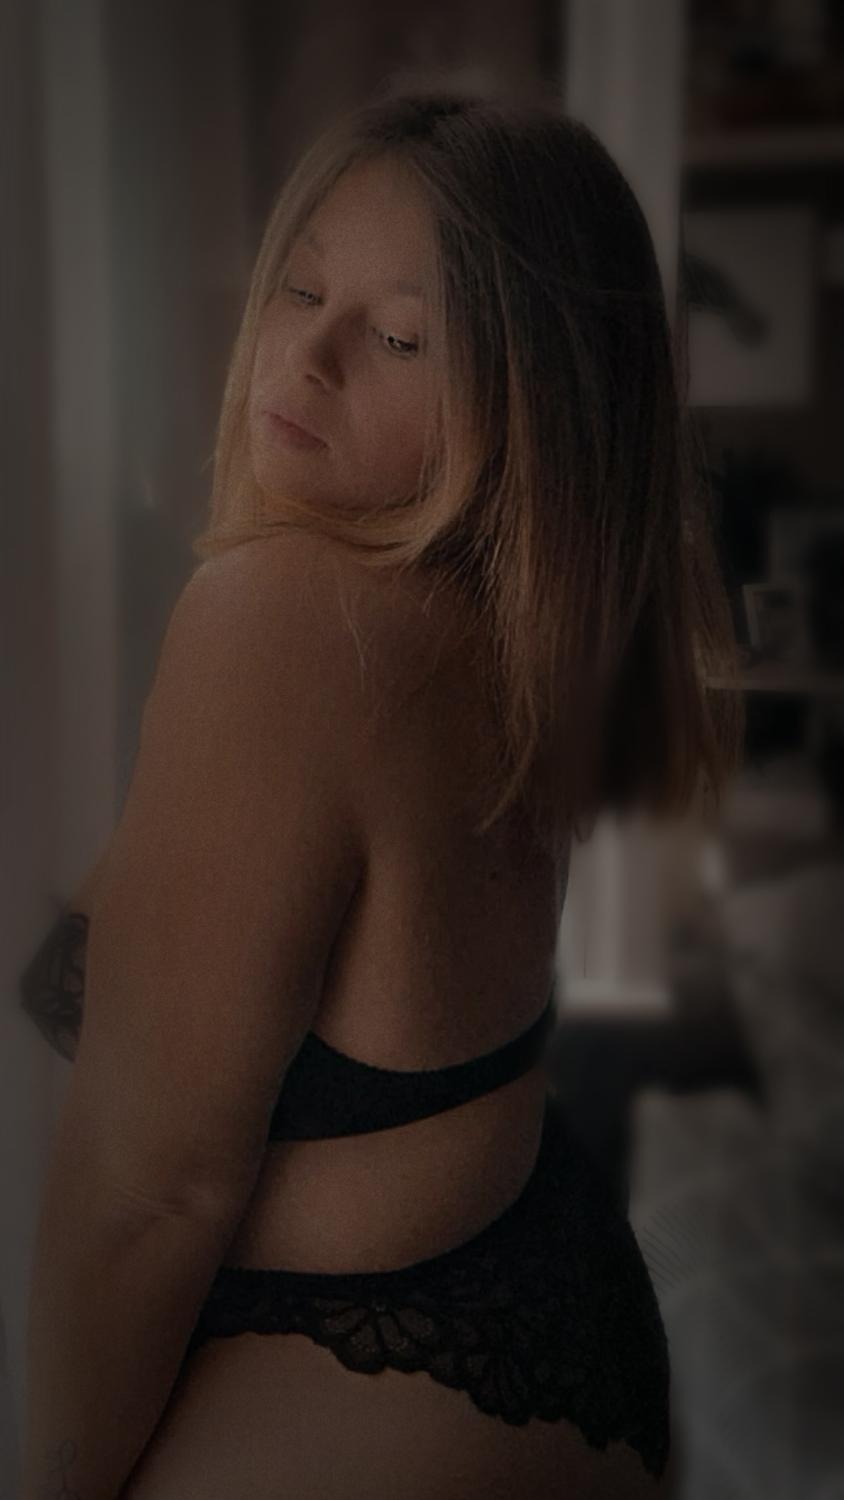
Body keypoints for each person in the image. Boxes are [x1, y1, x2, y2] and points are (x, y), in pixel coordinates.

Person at [18, 79, 744, 1499]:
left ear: (536, 403)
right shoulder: (503, 626)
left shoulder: (285, 619)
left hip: (386, 1370)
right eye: (299, 291)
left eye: (401, 336)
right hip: (551, 1308)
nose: (308, 354)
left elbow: (148, 1192)